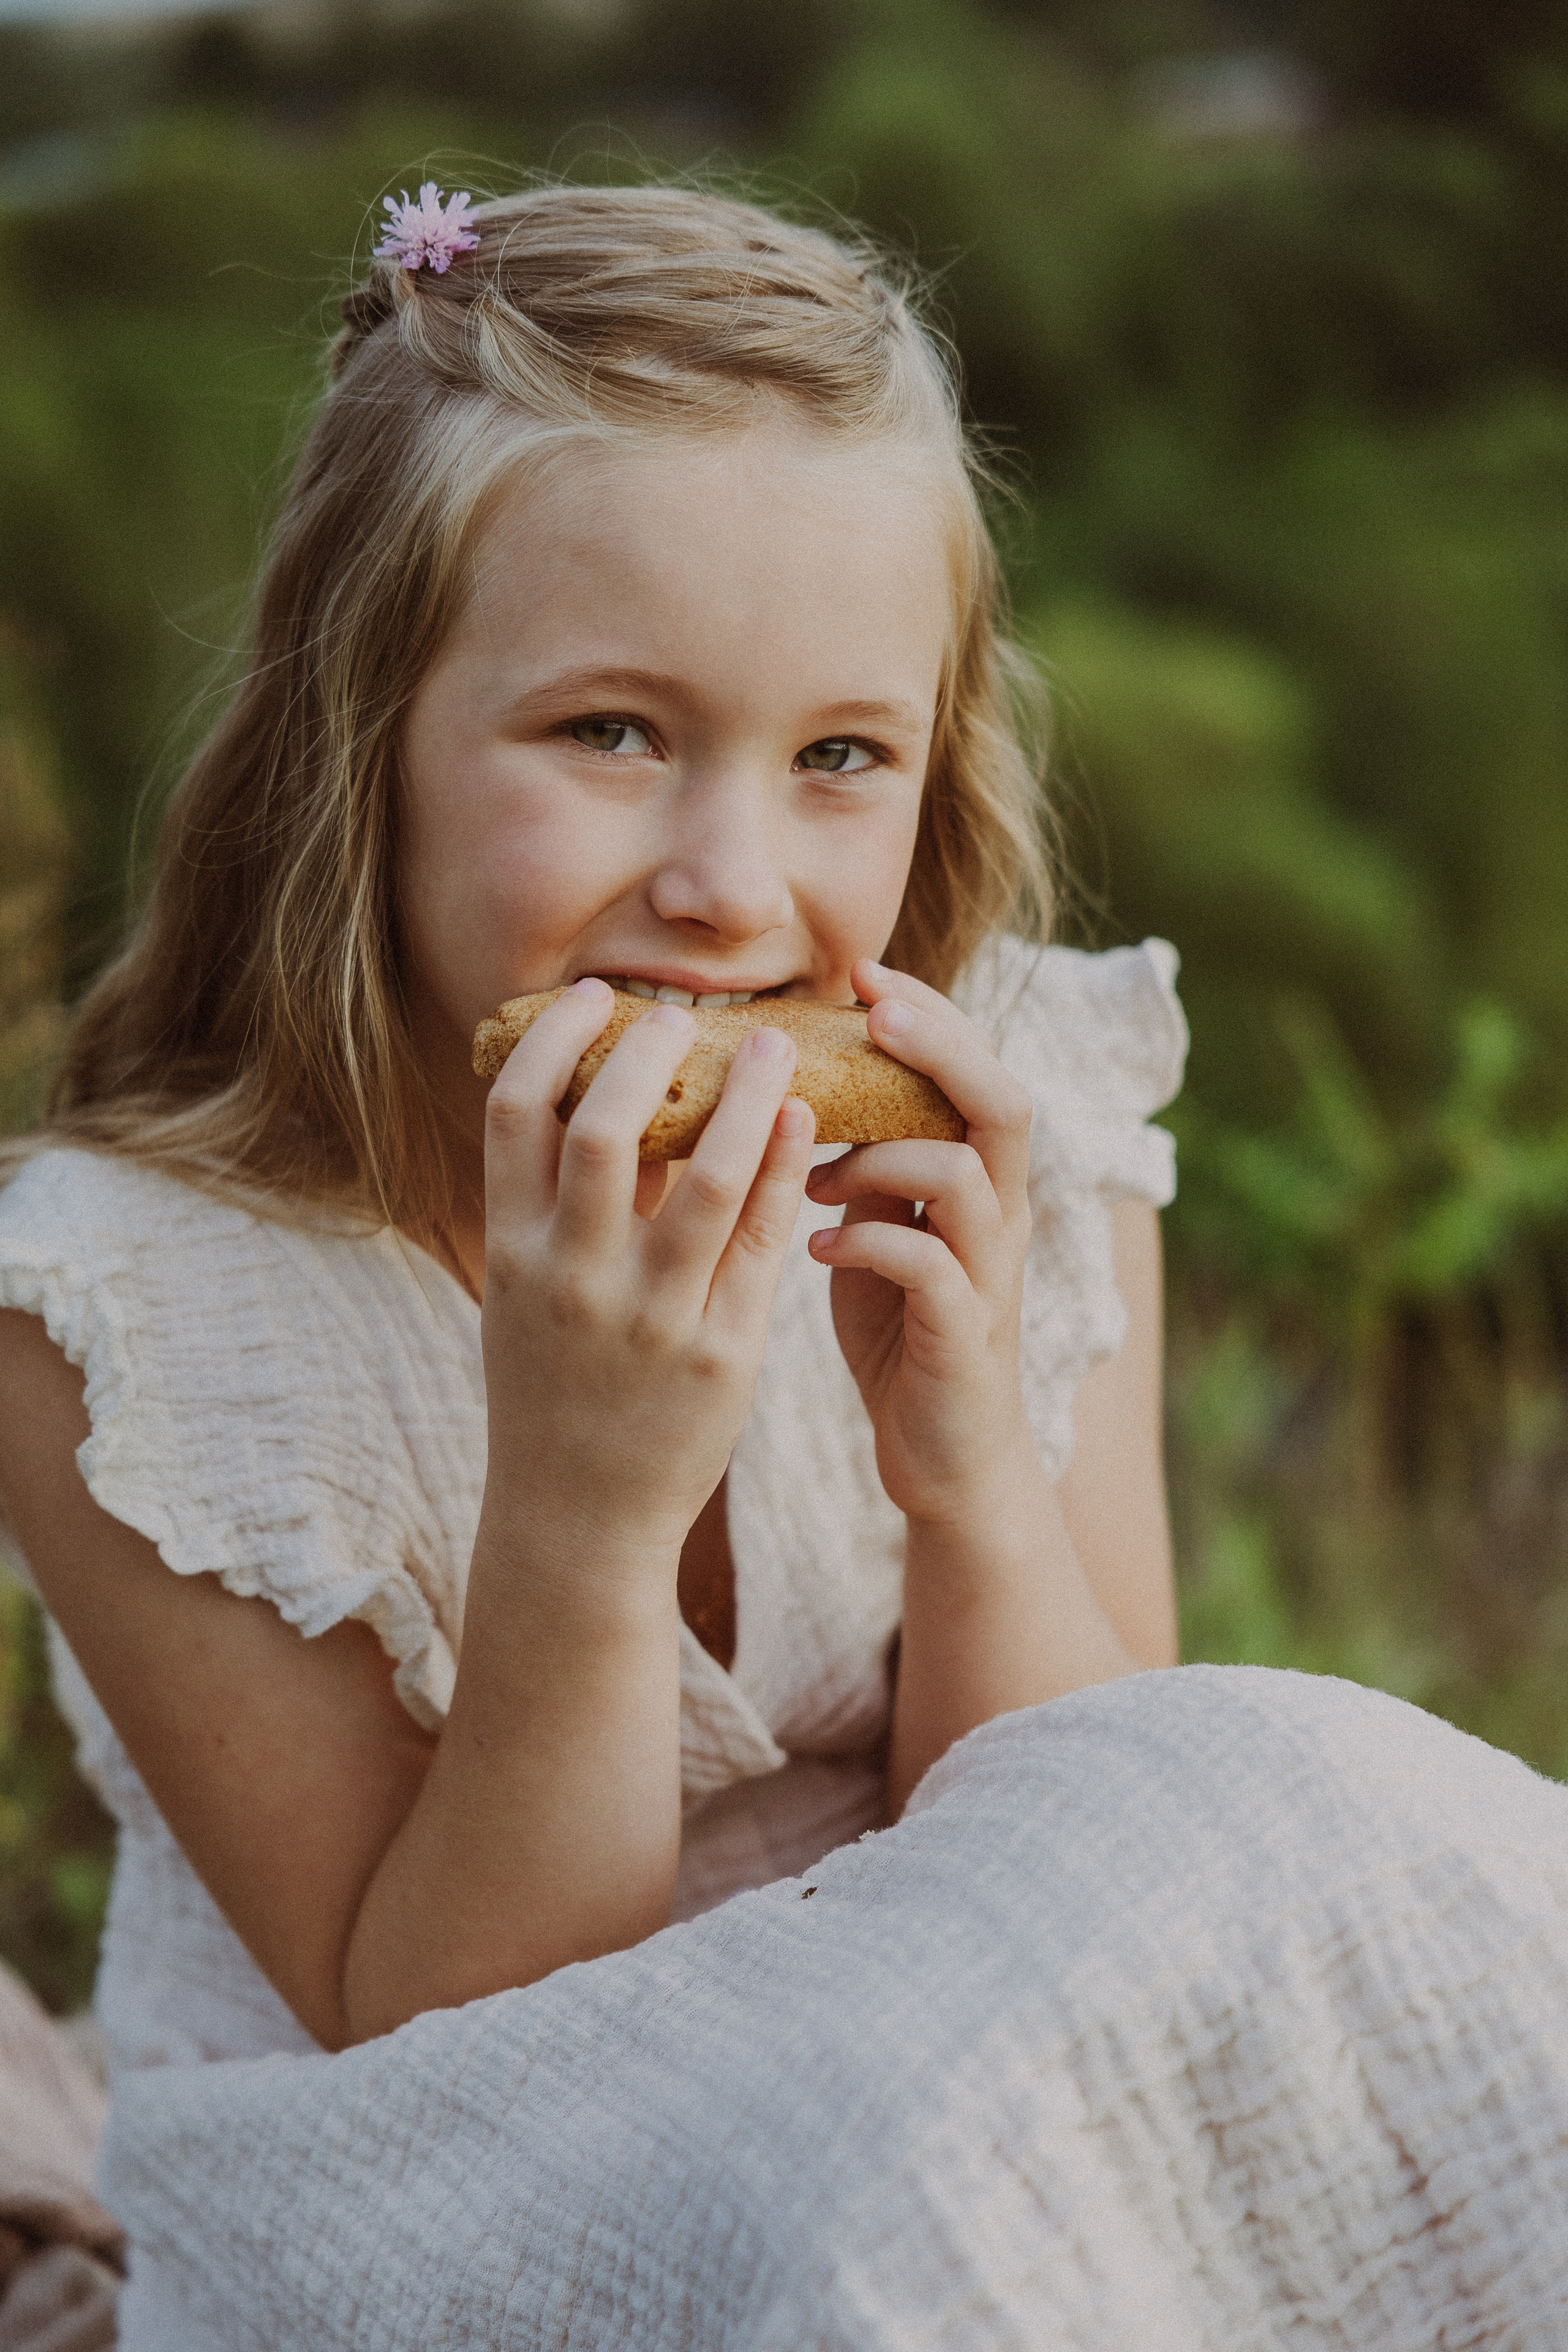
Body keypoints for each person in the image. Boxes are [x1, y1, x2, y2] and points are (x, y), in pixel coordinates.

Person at [0, 181, 1186, 2340]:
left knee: (1341, 1800)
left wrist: (974, 1476)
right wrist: (585, 1502)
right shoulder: (126, 1319)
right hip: (427, 2224)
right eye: (613, 734)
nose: (737, 888)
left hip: (965, 2147)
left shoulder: (1034, 1123)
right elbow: (458, 2076)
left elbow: (1108, 1897)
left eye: (842, 760)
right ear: (364, 758)